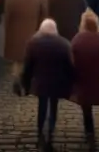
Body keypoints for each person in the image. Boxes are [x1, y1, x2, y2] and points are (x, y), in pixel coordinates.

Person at [21, 18, 75, 151]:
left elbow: (27, 67)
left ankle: (40, 132)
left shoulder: (33, 43)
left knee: (42, 107)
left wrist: (26, 84)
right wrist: (70, 83)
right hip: (57, 82)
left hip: (41, 82)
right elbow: (70, 67)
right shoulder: (64, 44)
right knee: (54, 107)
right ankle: (51, 132)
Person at [71, 12, 99, 150]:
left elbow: (71, 58)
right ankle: (89, 132)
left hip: (81, 75)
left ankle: (89, 131)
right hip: (94, 76)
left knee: (85, 104)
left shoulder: (77, 39)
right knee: (88, 104)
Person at [4, 0, 46, 75]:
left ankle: (17, 79)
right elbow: (42, 15)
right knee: (30, 59)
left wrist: (7, 30)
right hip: (32, 32)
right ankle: (28, 83)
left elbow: (7, 17)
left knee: (18, 61)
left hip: (15, 34)